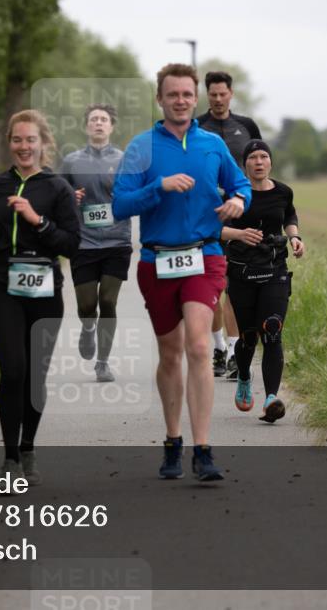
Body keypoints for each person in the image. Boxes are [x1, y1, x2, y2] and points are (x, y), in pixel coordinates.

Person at [113, 63, 251, 481]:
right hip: (157, 260)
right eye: (172, 94)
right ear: (160, 98)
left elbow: (240, 184)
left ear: (197, 97)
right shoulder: (141, 147)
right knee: (170, 354)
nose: (180, 101)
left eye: (187, 94)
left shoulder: (212, 145)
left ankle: (203, 449)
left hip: (204, 256)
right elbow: (120, 205)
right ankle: (173, 439)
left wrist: (239, 203)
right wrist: (160, 187)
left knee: (197, 346)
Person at [0, 110, 81, 486]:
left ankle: (29, 445)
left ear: (43, 143)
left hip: (46, 289)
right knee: (13, 370)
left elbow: (72, 244)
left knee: (34, 376)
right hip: (3, 285)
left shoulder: (58, 189)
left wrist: (38, 221)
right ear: (10, 143)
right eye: (17, 140)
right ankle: (10, 458)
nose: (23, 146)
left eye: (30, 140)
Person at [221, 140, 303, 422]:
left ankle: (270, 399)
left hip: (275, 270)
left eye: (264, 156)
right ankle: (244, 376)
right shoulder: (233, 195)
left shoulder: (283, 192)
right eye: (253, 157)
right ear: (245, 164)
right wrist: (240, 234)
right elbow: (213, 229)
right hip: (242, 272)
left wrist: (294, 237)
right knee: (248, 337)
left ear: (270, 162)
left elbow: (289, 214)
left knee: (272, 329)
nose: (258, 161)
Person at [196, 71, 263, 380]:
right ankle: (219, 347)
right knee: (215, 285)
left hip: (241, 213)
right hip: (207, 215)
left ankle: (236, 350)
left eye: (223, 94)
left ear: (231, 94)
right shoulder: (197, 126)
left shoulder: (246, 126)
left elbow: (258, 162)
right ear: (207, 95)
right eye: (213, 95)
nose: (218, 99)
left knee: (234, 287)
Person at [59, 104, 132, 382]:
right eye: (94, 120)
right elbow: (58, 196)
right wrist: (69, 198)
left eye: (104, 119)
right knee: (87, 305)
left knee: (108, 301)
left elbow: (136, 195)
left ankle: (102, 363)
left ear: (111, 126)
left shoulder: (126, 160)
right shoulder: (72, 161)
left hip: (117, 241)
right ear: (86, 126)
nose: (99, 123)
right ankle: (88, 327)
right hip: (84, 242)